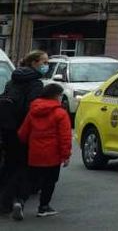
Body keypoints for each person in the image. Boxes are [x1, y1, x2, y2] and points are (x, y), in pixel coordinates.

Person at [0, 51, 47, 215]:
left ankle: (4, 198)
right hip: (22, 130)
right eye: (44, 62)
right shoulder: (35, 83)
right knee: (23, 167)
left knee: (9, 165)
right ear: (34, 63)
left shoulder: (13, 79)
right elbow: (33, 109)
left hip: (7, 128)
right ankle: (9, 201)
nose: (46, 65)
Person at [14, 82, 71, 219]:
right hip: (53, 154)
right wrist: (66, 155)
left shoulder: (33, 111)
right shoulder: (60, 113)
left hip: (35, 153)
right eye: (60, 95)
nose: (61, 98)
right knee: (50, 181)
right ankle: (43, 207)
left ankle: (20, 201)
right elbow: (65, 136)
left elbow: (22, 133)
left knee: (31, 179)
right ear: (56, 96)